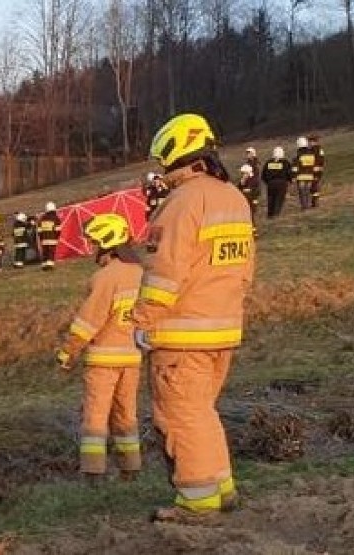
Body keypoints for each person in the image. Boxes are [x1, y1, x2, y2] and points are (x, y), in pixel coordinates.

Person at [131, 113, 255, 521]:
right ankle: (221, 488)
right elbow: (244, 269)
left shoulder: (182, 203)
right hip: (222, 327)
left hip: (181, 333)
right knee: (202, 412)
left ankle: (198, 503)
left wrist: (143, 321)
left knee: (181, 416)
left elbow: (164, 272)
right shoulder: (233, 198)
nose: (162, 175)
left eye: (164, 165)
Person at [54, 213, 144, 482]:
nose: (93, 248)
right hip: (133, 358)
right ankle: (130, 469)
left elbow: (88, 321)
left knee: (95, 418)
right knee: (127, 416)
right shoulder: (142, 274)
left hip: (103, 360)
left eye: (95, 242)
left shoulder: (106, 277)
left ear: (107, 242)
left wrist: (68, 351)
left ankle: (94, 473)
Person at [261, 146, 292, 219]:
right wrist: (290, 181)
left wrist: (268, 182)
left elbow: (263, 175)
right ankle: (276, 215)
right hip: (282, 183)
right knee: (279, 199)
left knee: (271, 200)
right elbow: (289, 173)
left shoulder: (268, 162)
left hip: (271, 184)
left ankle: (270, 215)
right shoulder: (285, 162)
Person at [292, 136, 316, 210]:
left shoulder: (298, 154)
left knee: (302, 193)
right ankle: (308, 206)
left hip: (301, 176)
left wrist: (293, 176)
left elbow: (295, 168)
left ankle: (304, 207)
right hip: (310, 176)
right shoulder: (312, 154)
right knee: (308, 192)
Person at [237, 163, 261, 235]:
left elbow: (257, 191)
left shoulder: (254, 180)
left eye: (244, 173)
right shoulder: (243, 181)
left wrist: (253, 197)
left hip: (252, 201)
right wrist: (241, 183)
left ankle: (254, 232)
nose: (243, 175)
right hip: (245, 201)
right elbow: (238, 189)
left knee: (251, 216)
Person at [38, 202, 62, 271]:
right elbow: (58, 230)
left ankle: (44, 265)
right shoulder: (56, 218)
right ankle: (50, 265)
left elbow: (39, 230)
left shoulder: (42, 218)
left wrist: (41, 238)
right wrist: (57, 237)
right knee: (51, 252)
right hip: (52, 239)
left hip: (44, 239)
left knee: (45, 252)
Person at [308, 135, 326, 208]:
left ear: (313, 141)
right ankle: (315, 201)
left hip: (314, 170)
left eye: (310, 141)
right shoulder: (320, 150)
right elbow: (322, 159)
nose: (309, 143)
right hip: (318, 170)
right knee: (315, 185)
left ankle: (315, 202)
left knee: (314, 186)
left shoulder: (311, 150)